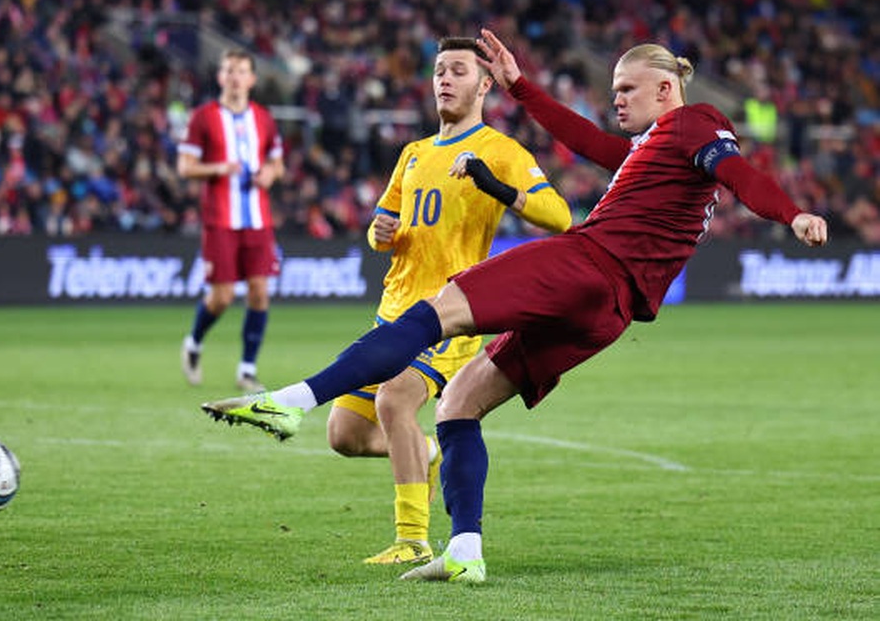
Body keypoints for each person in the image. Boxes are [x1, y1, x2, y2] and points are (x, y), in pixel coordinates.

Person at [201, 29, 829, 583]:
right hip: (608, 315)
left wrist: (791, 212)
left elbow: (740, 173)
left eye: (627, 89)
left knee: (433, 311)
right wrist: (523, 88)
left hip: (588, 263)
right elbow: (584, 139)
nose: (616, 99)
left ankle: (292, 403)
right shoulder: (654, 148)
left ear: (666, 89)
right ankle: (464, 550)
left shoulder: (694, 124)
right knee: (459, 405)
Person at [324, 37, 571, 566]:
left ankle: (412, 539)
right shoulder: (413, 154)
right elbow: (382, 227)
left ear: (484, 85)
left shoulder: (501, 151)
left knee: (394, 402)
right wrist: (380, 233)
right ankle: (426, 450)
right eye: (439, 70)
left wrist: (495, 187)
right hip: (393, 312)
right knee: (343, 435)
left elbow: (560, 217)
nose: (444, 79)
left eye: (457, 70)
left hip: (449, 315)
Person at [178, 49, 285, 392]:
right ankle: (194, 342)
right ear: (220, 77)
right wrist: (218, 168)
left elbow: (276, 163)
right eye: (229, 71)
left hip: (257, 219)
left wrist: (268, 174)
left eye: (242, 71)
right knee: (222, 296)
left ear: (252, 79)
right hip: (220, 220)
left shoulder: (264, 119)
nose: (235, 77)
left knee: (259, 292)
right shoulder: (203, 117)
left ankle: (247, 370)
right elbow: (185, 167)